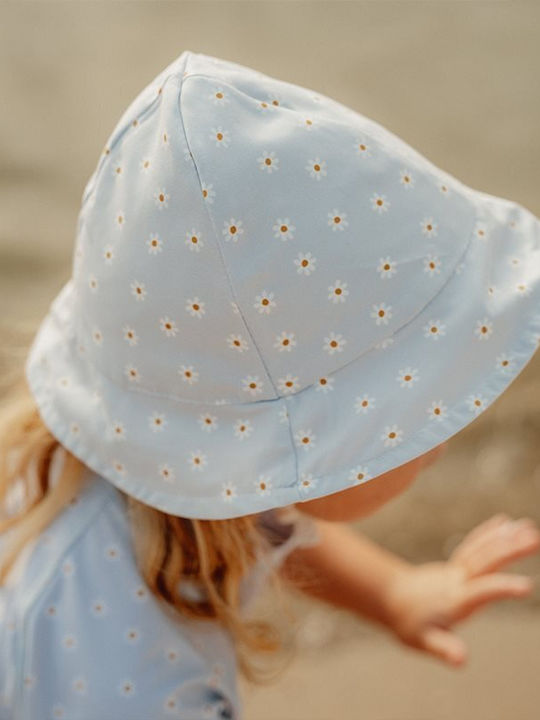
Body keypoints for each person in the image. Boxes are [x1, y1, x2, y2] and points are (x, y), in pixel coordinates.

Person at [1, 48, 539, 720]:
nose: (444, 424)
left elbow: (266, 519)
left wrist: (394, 592)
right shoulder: (127, 682)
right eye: (410, 407)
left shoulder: (178, 471)